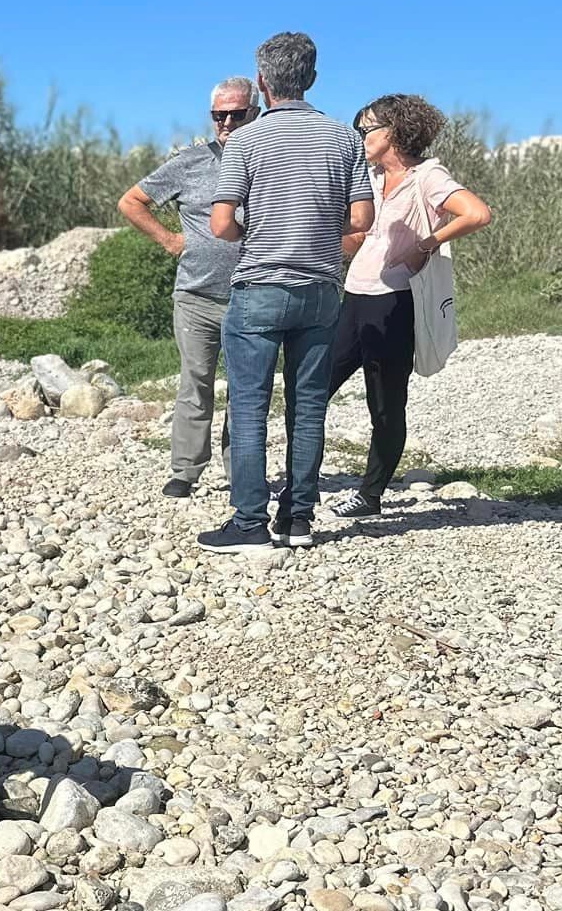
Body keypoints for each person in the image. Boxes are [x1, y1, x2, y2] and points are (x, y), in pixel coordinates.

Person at [202, 31, 374, 552]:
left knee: (250, 406)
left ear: (261, 82)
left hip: (259, 285)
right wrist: (317, 235)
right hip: (320, 287)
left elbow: (220, 224)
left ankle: (249, 522)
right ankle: (298, 518)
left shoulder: (245, 141)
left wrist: (256, 231)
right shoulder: (345, 138)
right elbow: (362, 220)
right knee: (309, 406)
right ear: (312, 78)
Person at [328, 94, 492, 518]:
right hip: (354, 297)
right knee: (312, 389)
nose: (359, 136)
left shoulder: (427, 176)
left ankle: (369, 495)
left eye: (365, 129)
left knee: (385, 404)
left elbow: (477, 214)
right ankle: (300, 485)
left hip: (396, 302)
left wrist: (425, 244)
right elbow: (359, 240)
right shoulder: (368, 177)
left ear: (394, 131)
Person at [118, 76, 259, 499]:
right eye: (219, 115)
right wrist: (169, 240)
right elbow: (131, 201)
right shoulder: (191, 162)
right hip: (196, 296)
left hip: (252, 294)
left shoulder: (269, 161)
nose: (227, 123)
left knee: (246, 390)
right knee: (195, 383)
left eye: (236, 114)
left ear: (255, 113)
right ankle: (185, 470)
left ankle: (242, 474)